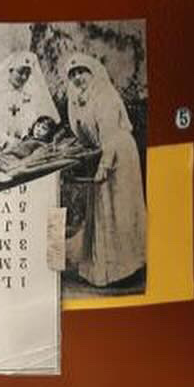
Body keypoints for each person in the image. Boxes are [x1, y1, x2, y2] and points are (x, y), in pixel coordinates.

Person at [64, 53, 147, 287]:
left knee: (121, 207)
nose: (78, 77)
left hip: (119, 153)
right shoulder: (76, 100)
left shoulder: (105, 97)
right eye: (73, 74)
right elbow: (83, 134)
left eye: (82, 71)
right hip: (102, 152)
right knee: (103, 208)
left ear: (92, 73)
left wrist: (104, 166)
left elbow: (110, 135)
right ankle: (105, 267)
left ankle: (128, 267)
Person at [0, 50, 57, 158]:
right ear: (11, 70)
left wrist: (24, 138)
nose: (24, 77)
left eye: (27, 74)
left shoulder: (29, 95)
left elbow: (33, 121)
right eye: (20, 72)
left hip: (20, 151)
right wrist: (5, 141)